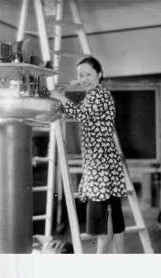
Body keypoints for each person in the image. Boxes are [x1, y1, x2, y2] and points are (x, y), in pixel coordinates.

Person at [51, 56, 128, 254]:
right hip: (105, 160)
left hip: (100, 163)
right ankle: (119, 258)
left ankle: (100, 259)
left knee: (102, 216)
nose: (84, 79)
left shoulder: (96, 95)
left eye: (89, 74)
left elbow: (82, 116)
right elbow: (88, 112)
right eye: (80, 75)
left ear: (99, 74)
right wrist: (80, 83)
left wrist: (60, 98)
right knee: (112, 213)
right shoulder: (98, 92)